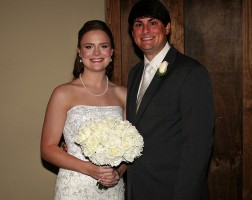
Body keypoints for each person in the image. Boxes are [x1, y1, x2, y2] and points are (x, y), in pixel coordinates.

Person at [126, 1, 215, 200]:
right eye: (139, 24)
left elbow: (198, 146)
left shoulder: (191, 72)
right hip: (137, 189)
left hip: (174, 190)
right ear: (132, 33)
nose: (145, 30)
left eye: (153, 22)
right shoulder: (134, 74)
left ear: (167, 27)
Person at [40, 20, 127, 199]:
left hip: (111, 188)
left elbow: (131, 148)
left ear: (111, 52)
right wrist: (91, 169)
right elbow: (47, 148)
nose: (96, 53)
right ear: (80, 52)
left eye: (103, 46)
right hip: (74, 186)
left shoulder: (123, 94)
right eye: (89, 46)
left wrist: (117, 173)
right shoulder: (63, 93)